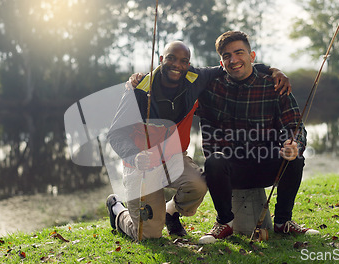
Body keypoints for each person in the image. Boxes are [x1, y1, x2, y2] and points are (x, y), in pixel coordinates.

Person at [106, 41, 291, 241]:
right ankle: (118, 211)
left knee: (199, 185)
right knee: (148, 235)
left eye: (183, 61)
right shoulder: (139, 89)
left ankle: (170, 211)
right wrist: (135, 157)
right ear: (161, 59)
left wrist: (274, 70)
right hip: (141, 165)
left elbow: (232, 66)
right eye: (171, 58)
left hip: (172, 159)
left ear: (189, 64)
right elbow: (116, 134)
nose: (177, 65)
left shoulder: (195, 78)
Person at [197, 31, 319, 244]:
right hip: (230, 168)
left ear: (252, 56)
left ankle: (283, 221)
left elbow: (295, 126)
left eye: (239, 53)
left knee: (295, 157)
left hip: (266, 164)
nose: (233, 60)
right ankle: (224, 222)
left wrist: (294, 144)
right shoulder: (211, 87)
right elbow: (179, 77)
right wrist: (140, 80)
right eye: (227, 56)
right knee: (213, 161)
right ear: (221, 61)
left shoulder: (274, 85)